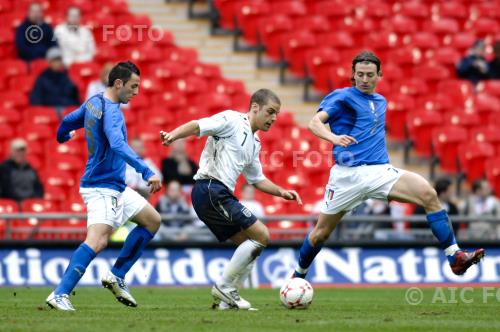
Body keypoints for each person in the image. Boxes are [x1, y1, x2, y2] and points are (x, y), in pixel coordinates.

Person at [292, 51, 484, 281]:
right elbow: (315, 123)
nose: (364, 79)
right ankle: (298, 276)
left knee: (428, 194)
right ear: (353, 75)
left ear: (379, 75)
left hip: (379, 171)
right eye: (360, 74)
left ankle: (455, 257)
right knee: (320, 234)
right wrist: (332, 138)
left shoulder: (381, 101)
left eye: (369, 75)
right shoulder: (342, 97)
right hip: (347, 176)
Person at [160, 89, 302, 310]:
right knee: (262, 234)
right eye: (270, 112)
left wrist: (281, 192)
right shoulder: (231, 120)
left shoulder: (255, 142)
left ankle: (227, 302)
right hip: (210, 188)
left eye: (277, 114)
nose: (274, 118)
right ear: (255, 107)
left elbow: (257, 179)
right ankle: (224, 286)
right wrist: (173, 135)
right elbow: (198, 125)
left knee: (249, 247)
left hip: (217, 193)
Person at [46, 61, 162, 311]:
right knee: (97, 241)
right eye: (133, 86)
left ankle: (116, 274)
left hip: (115, 186)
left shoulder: (93, 102)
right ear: (118, 83)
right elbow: (118, 145)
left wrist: (62, 136)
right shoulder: (112, 111)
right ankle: (60, 293)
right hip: (101, 186)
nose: (137, 91)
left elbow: (68, 120)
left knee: (152, 220)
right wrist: (146, 170)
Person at [0, 138, 43, 202]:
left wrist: (33, 201)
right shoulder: (3, 168)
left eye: (22, 150)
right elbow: (5, 190)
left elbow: (38, 189)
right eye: (17, 150)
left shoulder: (31, 169)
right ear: (11, 152)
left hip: (30, 205)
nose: (20, 153)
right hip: (12, 205)